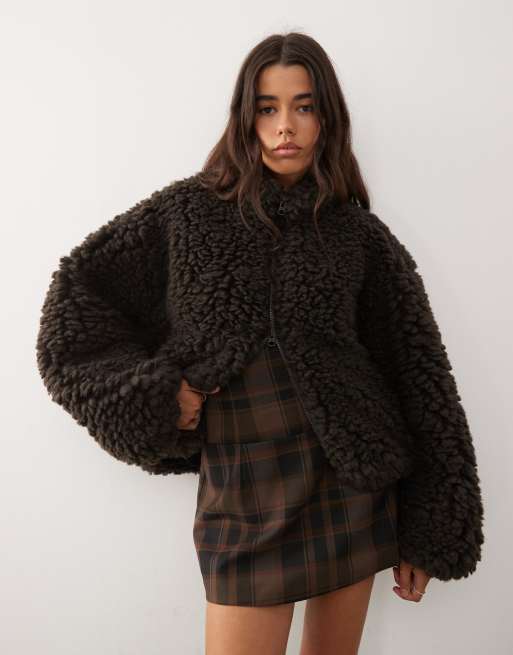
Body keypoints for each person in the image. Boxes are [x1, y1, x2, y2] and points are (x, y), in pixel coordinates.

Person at [36, 32, 484, 655]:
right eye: (267, 108)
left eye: (304, 106)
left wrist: (433, 528)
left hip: (349, 490)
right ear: (245, 117)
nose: (285, 127)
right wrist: (157, 396)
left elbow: (420, 374)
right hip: (242, 492)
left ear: (328, 118)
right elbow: (75, 309)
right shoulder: (186, 214)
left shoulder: (358, 236)